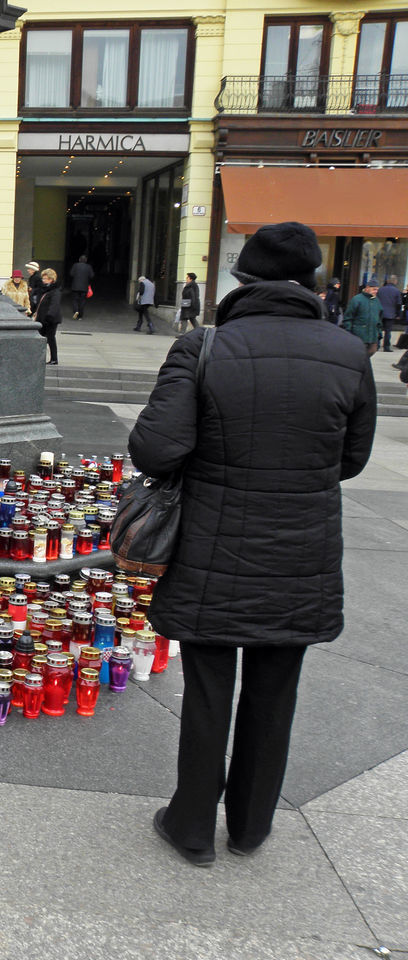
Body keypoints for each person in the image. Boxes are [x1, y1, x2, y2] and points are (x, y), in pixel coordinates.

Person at [130, 221, 376, 868]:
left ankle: (190, 827)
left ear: (244, 280)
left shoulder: (204, 347)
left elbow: (156, 448)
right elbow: (351, 460)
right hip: (301, 553)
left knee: (209, 688)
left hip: (211, 547)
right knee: (276, 691)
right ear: (315, 284)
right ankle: (250, 826)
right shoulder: (350, 353)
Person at [342, 278, 383, 356]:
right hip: (359, 335)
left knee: (371, 352)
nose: (376, 291)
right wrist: (349, 331)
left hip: (373, 336)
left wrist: (379, 332)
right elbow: (348, 317)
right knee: (358, 355)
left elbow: (379, 318)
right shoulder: (357, 299)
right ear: (367, 288)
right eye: (374, 289)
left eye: (377, 290)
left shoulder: (377, 301)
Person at [33, 267, 62, 365]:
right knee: (43, 338)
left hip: (50, 320)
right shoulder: (46, 290)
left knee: (50, 338)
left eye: (45, 279)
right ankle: (39, 357)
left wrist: (49, 316)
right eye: (43, 278)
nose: (43, 280)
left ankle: (54, 359)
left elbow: (54, 305)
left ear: (51, 279)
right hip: (43, 319)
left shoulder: (54, 291)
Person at [377, 275, 402, 352]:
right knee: (388, 331)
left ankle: (377, 345)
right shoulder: (396, 291)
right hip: (390, 314)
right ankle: (386, 347)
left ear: (387, 281)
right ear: (395, 281)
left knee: (378, 329)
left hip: (380, 313)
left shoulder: (380, 290)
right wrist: (398, 314)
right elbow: (398, 304)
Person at [68, 255, 94, 319]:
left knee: (75, 300)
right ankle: (80, 316)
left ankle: (76, 310)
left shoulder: (75, 265)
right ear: (86, 260)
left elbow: (71, 274)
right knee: (82, 301)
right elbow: (92, 276)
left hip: (75, 286)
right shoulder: (88, 267)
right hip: (84, 287)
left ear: (79, 260)